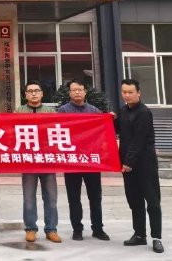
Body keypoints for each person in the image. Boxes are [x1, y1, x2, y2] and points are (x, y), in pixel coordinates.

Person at [57, 80, 110, 241]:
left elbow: (102, 131)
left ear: (85, 91)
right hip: (72, 161)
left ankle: (98, 229)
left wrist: (109, 119)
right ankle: (77, 229)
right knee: (74, 198)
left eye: (80, 89)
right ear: (69, 93)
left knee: (95, 198)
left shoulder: (94, 110)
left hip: (91, 161)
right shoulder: (63, 111)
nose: (77, 92)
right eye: (74, 90)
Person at [118, 79, 163, 254]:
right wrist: (109, 118)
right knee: (134, 201)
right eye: (124, 92)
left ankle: (157, 238)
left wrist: (128, 162)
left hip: (144, 164)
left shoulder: (144, 112)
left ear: (139, 93)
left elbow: (139, 140)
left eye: (130, 92)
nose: (127, 95)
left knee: (152, 201)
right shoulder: (123, 111)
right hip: (128, 165)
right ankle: (139, 234)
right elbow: (117, 130)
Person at [16, 80, 61, 243]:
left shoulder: (50, 112)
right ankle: (30, 228)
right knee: (28, 197)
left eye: (37, 90)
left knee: (51, 197)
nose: (34, 93)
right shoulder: (19, 112)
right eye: (30, 91)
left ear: (42, 93)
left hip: (47, 161)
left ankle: (51, 229)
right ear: (25, 95)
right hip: (28, 161)